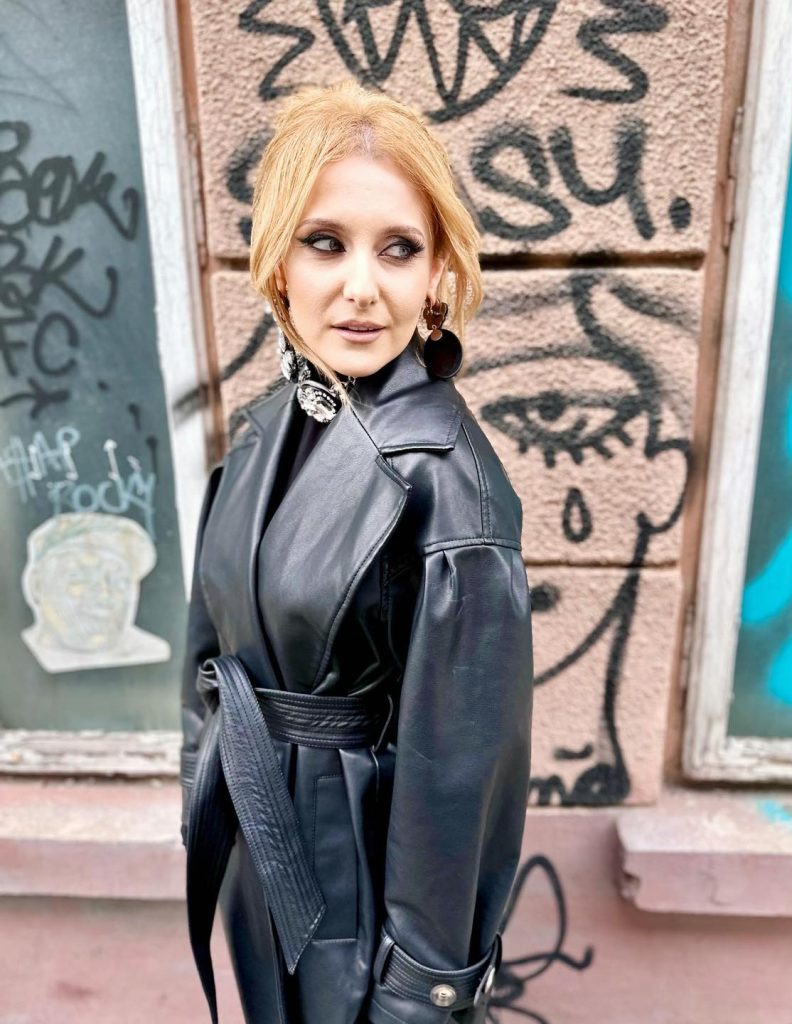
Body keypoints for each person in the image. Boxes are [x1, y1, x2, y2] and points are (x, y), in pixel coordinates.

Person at [179, 79, 534, 1024]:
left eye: (399, 248)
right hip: (260, 848)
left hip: (360, 886)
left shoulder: (447, 483)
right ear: (277, 261)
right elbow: (208, 659)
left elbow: (461, 778)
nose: (362, 286)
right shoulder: (266, 431)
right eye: (325, 242)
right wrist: (203, 792)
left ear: (437, 274)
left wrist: (421, 991)